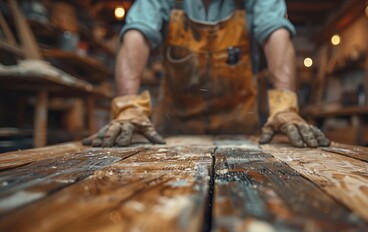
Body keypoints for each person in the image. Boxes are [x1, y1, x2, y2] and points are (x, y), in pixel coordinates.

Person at [83, 0, 330, 148]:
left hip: (241, 129)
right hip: (172, 132)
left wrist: (285, 105)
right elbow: (136, 35)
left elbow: (276, 33)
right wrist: (128, 105)